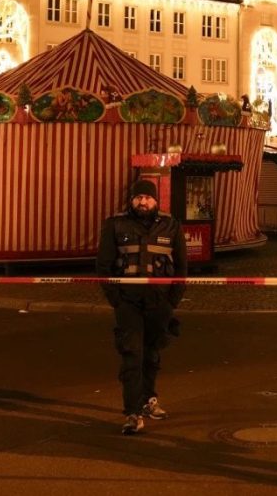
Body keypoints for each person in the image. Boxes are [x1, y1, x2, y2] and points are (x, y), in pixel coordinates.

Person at [96, 178, 186, 435]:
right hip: (129, 302)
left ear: (156, 200)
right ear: (131, 201)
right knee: (132, 355)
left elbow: (181, 267)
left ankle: (149, 400)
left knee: (152, 353)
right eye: (138, 198)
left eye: (147, 197)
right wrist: (117, 300)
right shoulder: (115, 225)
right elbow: (103, 266)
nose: (142, 202)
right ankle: (133, 413)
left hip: (159, 302)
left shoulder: (171, 225)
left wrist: (172, 301)